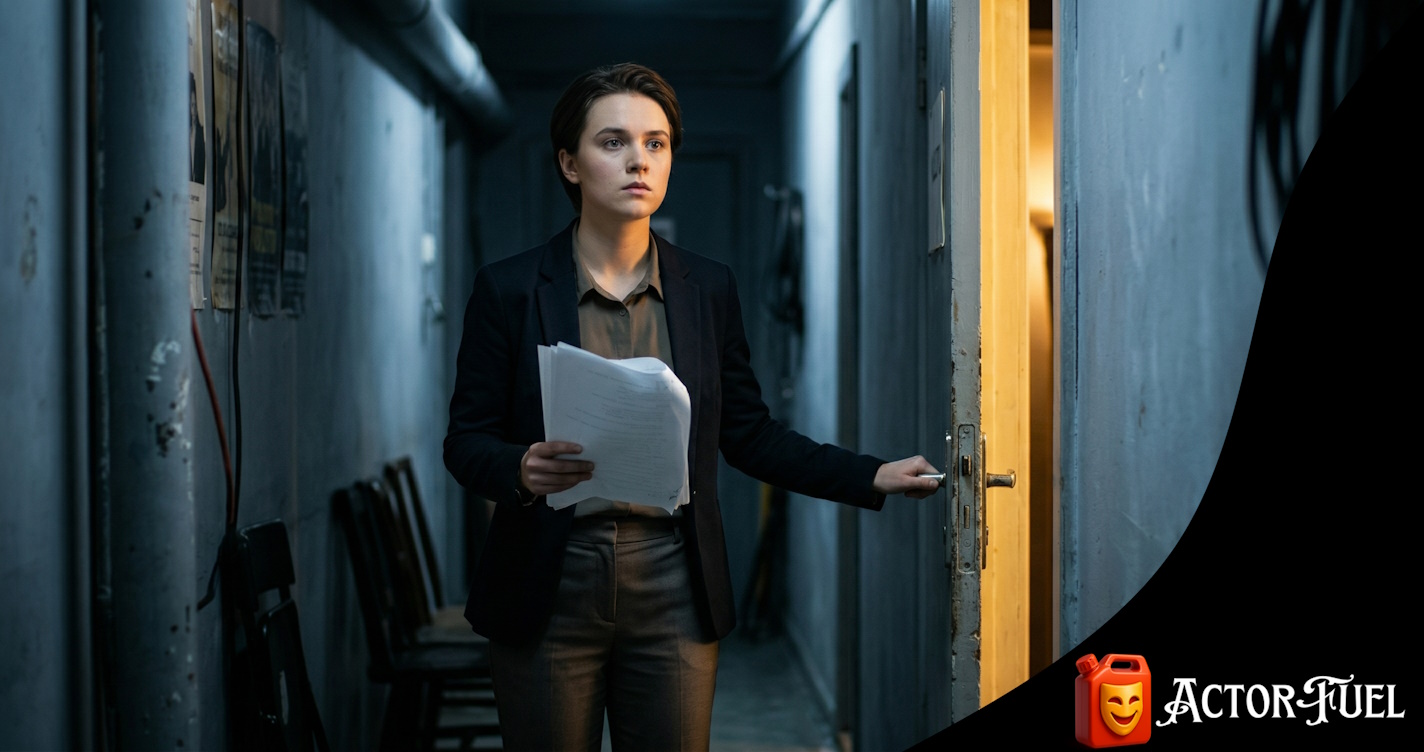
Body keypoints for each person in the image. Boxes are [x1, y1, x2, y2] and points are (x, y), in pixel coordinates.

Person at [444, 62, 940, 752]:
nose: (638, 161)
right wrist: (520, 468)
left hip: (674, 578)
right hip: (547, 581)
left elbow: (748, 433)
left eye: (656, 143)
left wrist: (871, 474)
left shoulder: (707, 287)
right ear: (570, 162)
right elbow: (465, 440)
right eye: (613, 142)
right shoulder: (508, 288)